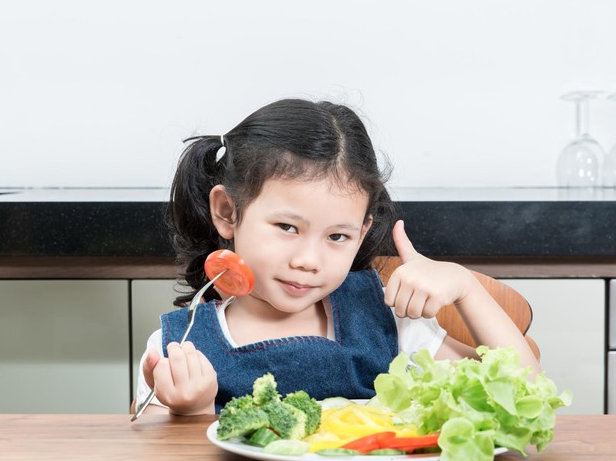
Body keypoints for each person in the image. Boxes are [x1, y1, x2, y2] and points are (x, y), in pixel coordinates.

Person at [135, 98, 542, 416]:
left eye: (337, 236)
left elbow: (523, 392)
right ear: (227, 212)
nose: (309, 260)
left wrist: (466, 288)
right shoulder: (179, 348)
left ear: (362, 232)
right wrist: (194, 411)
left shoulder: (387, 323)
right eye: (287, 228)